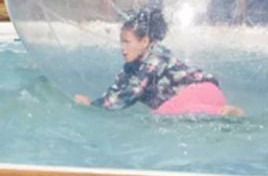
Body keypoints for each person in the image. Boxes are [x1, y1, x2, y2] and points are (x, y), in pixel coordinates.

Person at [74, 8, 243, 116]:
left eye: (127, 42)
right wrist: (94, 103)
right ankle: (218, 114)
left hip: (204, 93)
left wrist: (93, 107)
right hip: (189, 103)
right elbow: (116, 92)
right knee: (165, 116)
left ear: (145, 41)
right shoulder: (131, 68)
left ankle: (222, 112)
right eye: (121, 42)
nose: (122, 48)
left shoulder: (156, 57)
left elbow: (133, 91)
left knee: (159, 116)